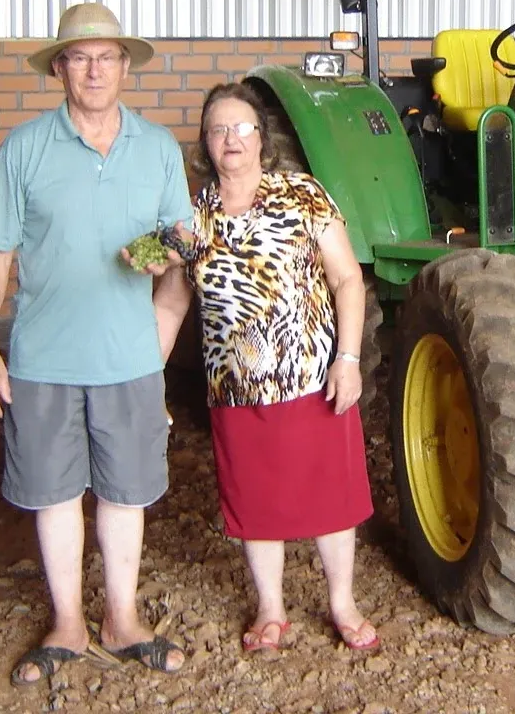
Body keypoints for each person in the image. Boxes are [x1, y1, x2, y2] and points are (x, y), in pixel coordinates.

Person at [0, 2, 191, 685]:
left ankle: (122, 618)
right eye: (80, 57)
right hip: (43, 355)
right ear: (60, 68)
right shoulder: (25, 147)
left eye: (107, 57)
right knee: (53, 492)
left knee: (126, 492)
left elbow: (185, 236)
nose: (94, 70)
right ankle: (67, 621)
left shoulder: (156, 148)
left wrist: (164, 255)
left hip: (128, 356)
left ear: (125, 66)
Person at [147, 81, 379, 653]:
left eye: (242, 127)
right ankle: (271, 610)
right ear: (205, 142)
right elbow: (168, 302)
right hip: (237, 388)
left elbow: (347, 278)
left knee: (332, 498)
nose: (232, 138)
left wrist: (348, 360)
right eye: (219, 129)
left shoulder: (303, 194)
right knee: (255, 503)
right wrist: (145, 382)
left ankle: (342, 604)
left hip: (313, 378)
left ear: (261, 138)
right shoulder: (190, 219)